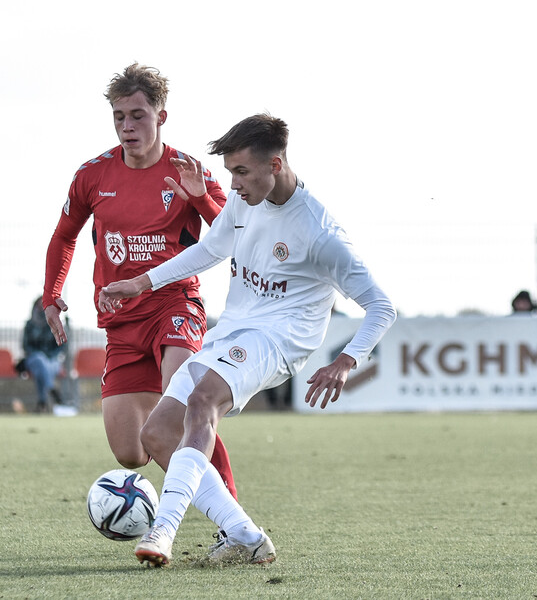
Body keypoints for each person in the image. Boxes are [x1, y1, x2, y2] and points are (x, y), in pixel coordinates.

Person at [99, 114, 396, 567]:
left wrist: (347, 360)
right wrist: (144, 282)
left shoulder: (320, 234)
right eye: (230, 172)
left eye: (240, 172)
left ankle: (164, 529)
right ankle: (247, 536)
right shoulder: (245, 200)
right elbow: (211, 248)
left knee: (202, 403)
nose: (231, 184)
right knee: (157, 434)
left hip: (279, 339)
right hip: (234, 329)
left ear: (275, 164)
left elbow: (381, 306)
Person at [41, 63, 239, 498]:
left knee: (187, 404)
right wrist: (51, 295)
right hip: (120, 321)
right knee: (131, 452)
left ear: (161, 116)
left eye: (137, 115)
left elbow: (233, 235)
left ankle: (232, 516)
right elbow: (64, 236)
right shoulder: (92, 175)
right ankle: (169, 436)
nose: (127, 126)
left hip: (174, 305)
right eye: (119, 117)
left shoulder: (189, 171)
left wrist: (201, 198)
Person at [20, 297, 68, 412]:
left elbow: (61, 346)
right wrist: (40, 354)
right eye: (39, 305)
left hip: (52, 359)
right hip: (34, 358)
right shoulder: (29, 325)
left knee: (42, 368)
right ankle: (51, 388)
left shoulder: (56, 323)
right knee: (40, 361)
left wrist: (48, 355)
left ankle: (41, 402)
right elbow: (25, 345)